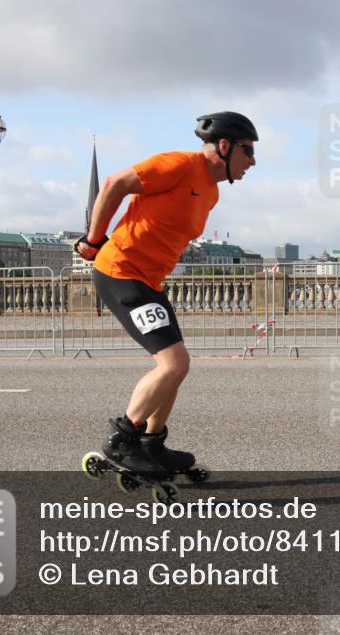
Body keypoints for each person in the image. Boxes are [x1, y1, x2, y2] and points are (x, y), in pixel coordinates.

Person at [74, 112, 257, 478]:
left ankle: (151, 444)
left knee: (175, 367)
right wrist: (94, 240)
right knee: (174, 364)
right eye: (248, 151)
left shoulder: (211, 192)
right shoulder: (179, 165)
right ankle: (123, 439)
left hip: (149, 283)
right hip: (121, 273)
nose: (252, 161)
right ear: (224, 146)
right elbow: (114, 184)